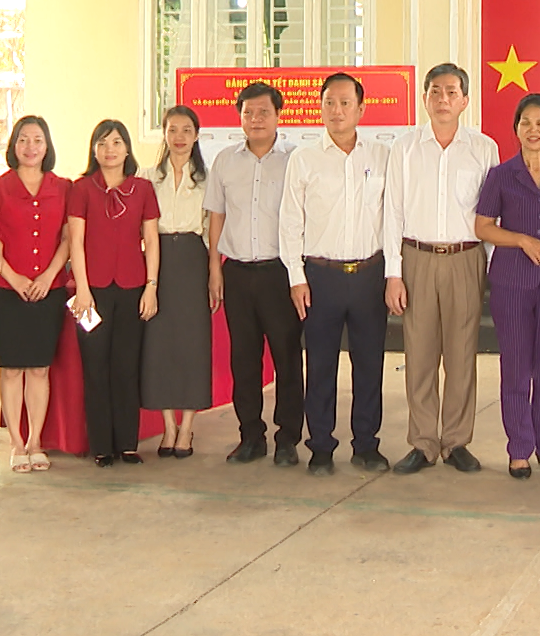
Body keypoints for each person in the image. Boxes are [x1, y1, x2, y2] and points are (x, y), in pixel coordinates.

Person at [385, 62, 500, 475]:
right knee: (419, 355)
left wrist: (491, 267)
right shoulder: (405, 148)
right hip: (416, 257)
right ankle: (422, 442)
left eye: (452, 92)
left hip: (466, 258)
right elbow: (392, 212)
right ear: (425, 98)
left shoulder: (483, 148)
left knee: (461, 354)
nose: (443, 99)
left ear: (465, 100)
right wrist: (394, 273)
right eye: (435, 91)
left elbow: (493, 213)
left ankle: (456, 441)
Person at [280, 72, 392, 477]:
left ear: (361, 109)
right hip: (320, 277)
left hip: (369, 274)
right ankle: (321, 446)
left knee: (369, 365)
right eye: (329, 102)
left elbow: (392, 218)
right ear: (320, 107)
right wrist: (296, 277)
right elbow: (290, 221)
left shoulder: (382, 156)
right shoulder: (304, 159)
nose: (337, 110)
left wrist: (393, 273)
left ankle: (366, 444)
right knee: (321, 365)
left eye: (345, 103)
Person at [474, 93, 540, 479]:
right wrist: (520, 239)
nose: (533, 130)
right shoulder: (501, 175)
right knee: (516, 367)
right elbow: (483, 227)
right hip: (511, 283)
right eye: (526, 123)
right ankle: (519, 448)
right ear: (516, 129)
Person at [205, 81, 303, 466]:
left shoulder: (295, 160)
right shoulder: (225, 161)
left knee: (287, 358)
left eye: (264, 112)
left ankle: (288, 438)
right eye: (249, 112)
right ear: (240, 117)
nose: (256, 119)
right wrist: (215, 269)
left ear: (279, 116)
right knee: (243, 359)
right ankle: (250, 436)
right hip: (238, 274)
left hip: (280, 273)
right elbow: (216, 216)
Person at [0, 116, 72, 475]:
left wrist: (48, 276)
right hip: (5, 291)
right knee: (11, 368)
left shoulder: (63, 188)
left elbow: (69, 239)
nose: (30, 147)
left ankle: (35, 442)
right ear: (13, 145)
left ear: (47, 147)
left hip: (48, 291)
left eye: (37, 140)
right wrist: (13, 277)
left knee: (39, 368)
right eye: (23, 139)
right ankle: (17, 444)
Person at [68, 119, 161, 466]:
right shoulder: (81, 189)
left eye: (117, 142)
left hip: (132, 288)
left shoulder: (142, 189)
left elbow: (151, 240)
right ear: (94, 150)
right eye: (103, 143)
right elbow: (76, 241)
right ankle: (102, 446)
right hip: (91, 293)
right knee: (95, 369)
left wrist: (151, 286)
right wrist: (82, 289)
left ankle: (127, 442)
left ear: (127, 149)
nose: (110, 149)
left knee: (126, 366)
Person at [142, 106, 215, 460]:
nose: (179, 137)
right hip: (157, 261)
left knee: (191, 345)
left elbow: (212, 230)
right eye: (173, 129)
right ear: (164, 134)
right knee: (159, 345)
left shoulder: (207, 178)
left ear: (196, 135)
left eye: (187, 130)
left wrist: (214, 272)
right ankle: (168, 426)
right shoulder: (147, 177)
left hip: (192, 260)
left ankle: (187, 427)